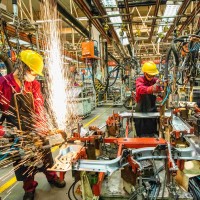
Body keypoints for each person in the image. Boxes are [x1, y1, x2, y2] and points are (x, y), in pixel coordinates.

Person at [0, 50, 66, 200]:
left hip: (35, 129)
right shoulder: (3, 84)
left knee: (46, 157)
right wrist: (4, 132)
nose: (34, 76)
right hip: (15, 133)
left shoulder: (34, 84)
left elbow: (39, 106)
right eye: (33, 72)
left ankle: (52, 177)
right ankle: (29, 188)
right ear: (22, 67)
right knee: (24, 164)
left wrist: (41, 126)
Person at [134, 61, 163, 137]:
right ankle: (141, 137)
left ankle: (152, 135)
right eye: (150, 75)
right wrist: (151, 89)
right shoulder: (140, 80)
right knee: (140, 125)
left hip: (152, 107)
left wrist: (161, 90)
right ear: (145, 73)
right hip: (141, 108)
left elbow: (160, 89)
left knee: (152, 123)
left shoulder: (155, 81)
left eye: (153, 75)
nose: (152, 77)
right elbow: (140, 89)